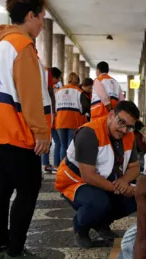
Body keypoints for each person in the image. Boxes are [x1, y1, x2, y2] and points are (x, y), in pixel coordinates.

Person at [0, 0, 51, 259]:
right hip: (17, 131)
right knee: (27, 189)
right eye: (41, 18)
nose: (42, 24)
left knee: (1, 190)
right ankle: (15, 254)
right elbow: (30, 96)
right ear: (30, 15)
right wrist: (42, 133)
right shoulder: (22, 47)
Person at [55, 101, 141, 248]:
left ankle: (101, 223)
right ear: (111, 115)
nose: (124, 130)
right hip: (75, 182)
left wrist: (124, 181)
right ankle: (80, 228)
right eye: (121, 122)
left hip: (106, 181)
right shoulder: (89, 133)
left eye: (129, 126)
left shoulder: (128, 136)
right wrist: (120, 188)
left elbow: (135, 167)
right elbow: (88, 176)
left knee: (137, 197)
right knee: (99, 202)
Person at [55, 72, 87, 162]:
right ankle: (68, 167)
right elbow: (85, 106)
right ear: (78, 81)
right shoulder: (79, 92)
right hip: (74, 120)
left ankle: (61, 166)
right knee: (70, 146)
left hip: (60, 120)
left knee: (63, 145)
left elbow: (54, 106)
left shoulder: (59, 91)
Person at [42, 67, 62, 173]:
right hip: (50, 117)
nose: (58, 81)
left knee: (50, 141)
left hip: (51, 117)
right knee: (53, 141)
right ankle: (50, 164)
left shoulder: (55, 88)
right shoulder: (51, 88)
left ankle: (46, 164)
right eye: (58, 78)